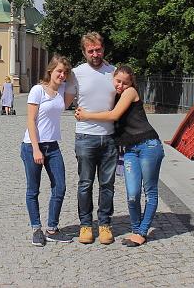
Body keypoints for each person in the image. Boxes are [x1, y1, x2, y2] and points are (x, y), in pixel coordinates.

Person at [75, 65, 163, 246]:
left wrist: (86, 115)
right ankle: (135, 230)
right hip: (130, 149)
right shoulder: (115, 96)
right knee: (132, 194)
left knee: (150, 191)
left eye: (125, 82)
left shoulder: (130, 93)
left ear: (131, 83)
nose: (120, 85)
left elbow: (114, 115)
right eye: (118, 81)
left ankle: (141, 232)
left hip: (148, 145)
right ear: (112, 78)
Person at [64, 31, 117, 245]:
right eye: (91, 51)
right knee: (85, 183)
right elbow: (64, 102)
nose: (95, 54)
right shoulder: (77, 74)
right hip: (85, 136)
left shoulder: (113, 72)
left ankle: (104, 224)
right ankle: (85, 225)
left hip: (109, 137)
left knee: (107, 185)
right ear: (84, 52)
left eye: (98, 49)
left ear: (103, 49)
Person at [21, 54, 74, 246]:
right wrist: (36, 149)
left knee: (60, 186)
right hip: (32, 146)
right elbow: (30, 120)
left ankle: (52, 228)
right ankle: (36, 229)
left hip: (53, 146)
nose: (62, 75)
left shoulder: (62, 91)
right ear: (50, 70)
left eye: (65, 72)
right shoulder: (38, 90)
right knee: (33, 189)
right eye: (59, 71)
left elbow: (76, 82)